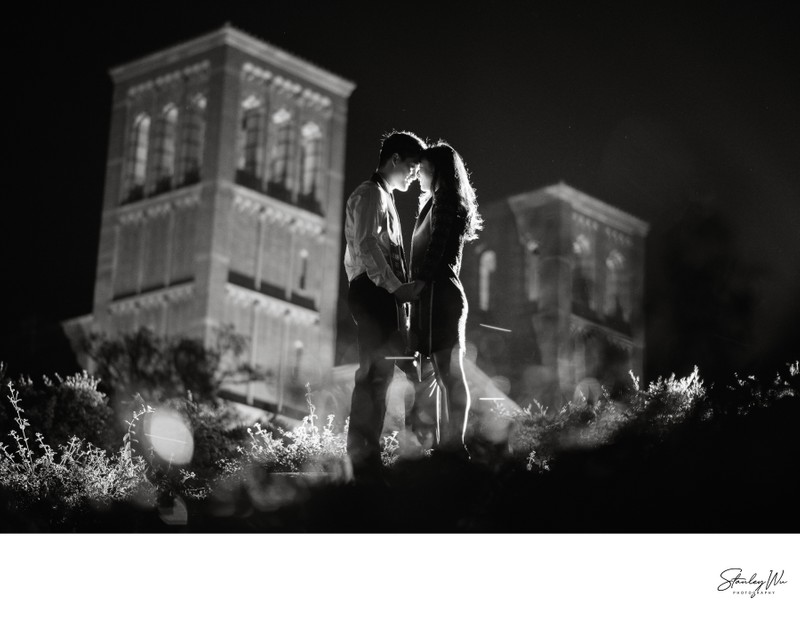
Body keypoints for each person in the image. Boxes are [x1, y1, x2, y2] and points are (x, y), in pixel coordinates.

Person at [343, 130, 427, 482]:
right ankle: (362, 456)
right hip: (374, 292)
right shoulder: (369, 195)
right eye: (411, 166)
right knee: (375, 374)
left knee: (388, 372)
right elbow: (366, 246)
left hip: (382, 294)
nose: (413, 174)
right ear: (394, 160)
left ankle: (374, 451)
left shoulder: (384, 198)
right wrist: (397, 288)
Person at [407, 140, 483, 457]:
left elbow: (437, 247)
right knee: (440, 376)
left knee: (448, 374)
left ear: (435, 170)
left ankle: (456, 444)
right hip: (432, 295)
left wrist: (419, 282)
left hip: (438, 294)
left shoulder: (445, 201)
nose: (418, 175)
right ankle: (445, 444)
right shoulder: (436, 202)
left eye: (423, 169)